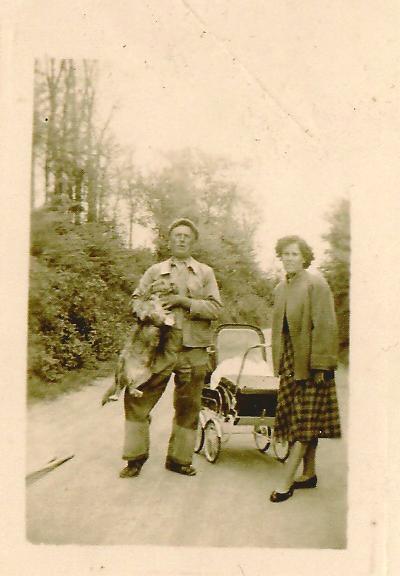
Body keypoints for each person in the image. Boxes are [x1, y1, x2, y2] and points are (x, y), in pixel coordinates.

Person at [120, 218, 222, 478]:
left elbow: (216, 309)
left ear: (193, 241)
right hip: (157, 349)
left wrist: (184, 301)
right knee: (136, 398)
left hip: (193, 349)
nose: (181, 239)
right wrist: (150, 313)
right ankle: (135, 458)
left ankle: (179, 459)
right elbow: (134, 301)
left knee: (189, 407)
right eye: (177, 234)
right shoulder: (155, 271)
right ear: (169, 239)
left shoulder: (205, 273)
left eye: (187, 235)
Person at [269, 235, 341, 502]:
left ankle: (285, 483)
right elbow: (279, 330)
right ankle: (309, 473)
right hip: (290, 362)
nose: (289, 259)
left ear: (304, 258)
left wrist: (321, 365)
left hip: (312, 364)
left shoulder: (316, 283)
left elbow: (326, 325)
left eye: (294, 254)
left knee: (304, 422)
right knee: (297, 419)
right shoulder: (281, 287)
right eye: (285, 254)